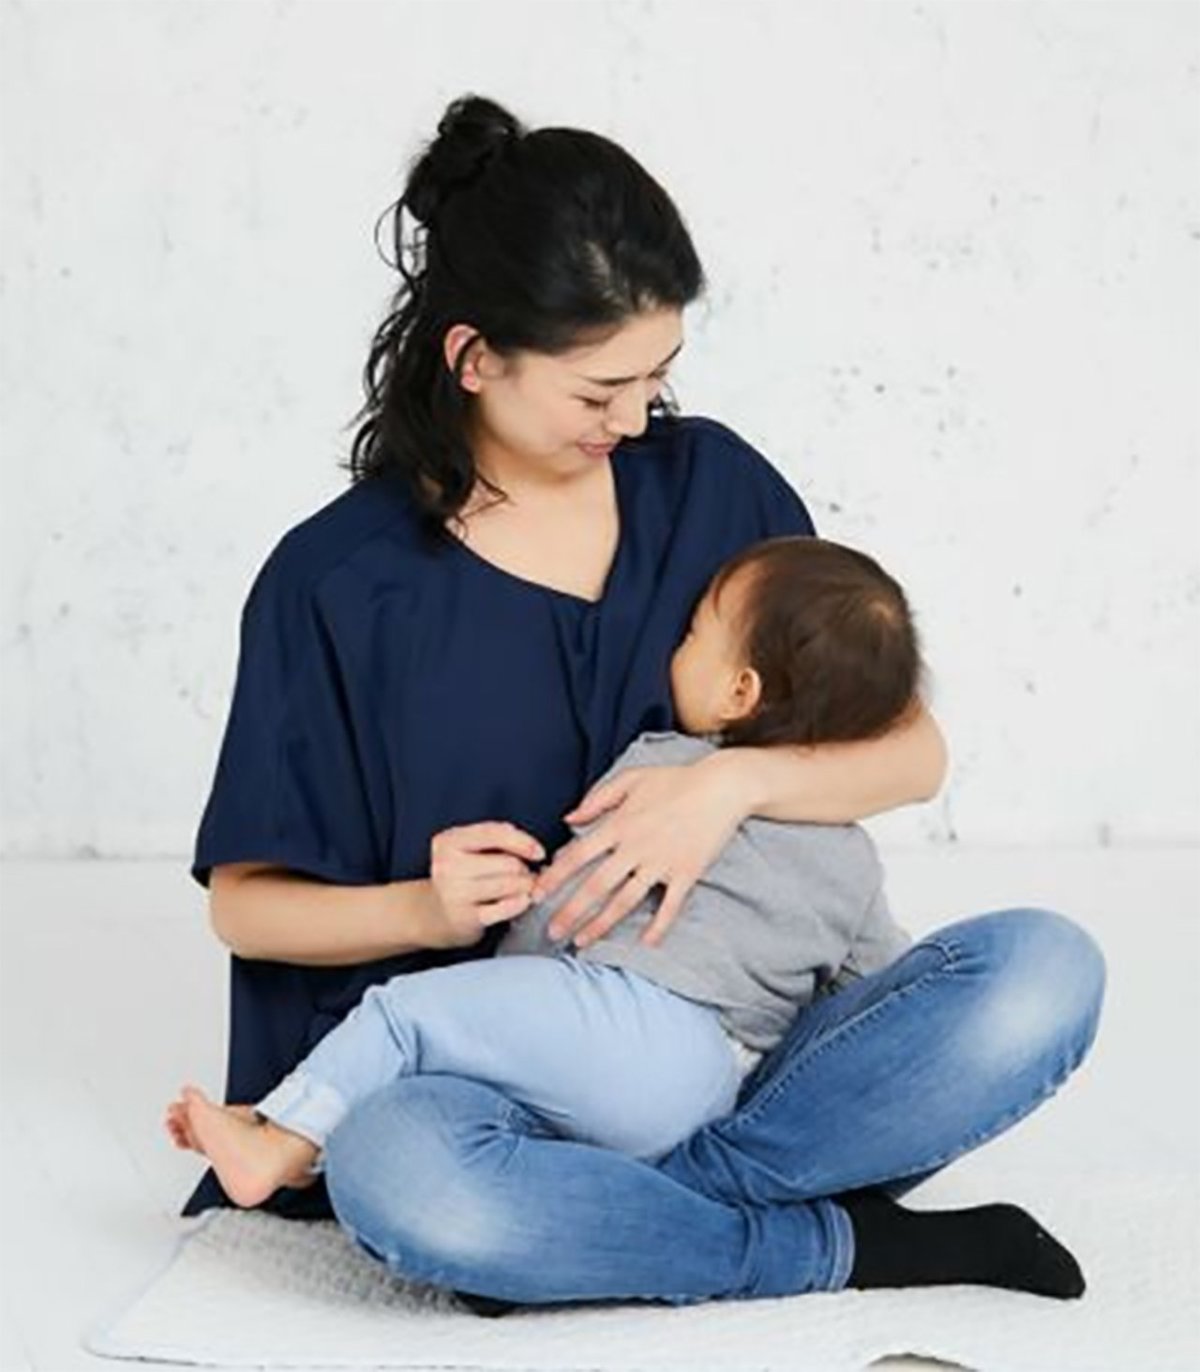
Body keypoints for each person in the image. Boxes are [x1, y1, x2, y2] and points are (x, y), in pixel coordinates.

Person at [181, 92, 1106, 1311]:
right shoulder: (339, 584)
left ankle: (602, 1223)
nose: (633, 419)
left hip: (741, 1045)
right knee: (403, 1175)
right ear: (474, 359)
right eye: (597, 390)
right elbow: (246, 911)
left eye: (657, 377)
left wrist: (727, 784)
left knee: (1044, 971)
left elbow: (910, 751)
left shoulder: (712, 486)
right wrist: (424, 907)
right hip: (497, 1081)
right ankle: (829, 1243)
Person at [165, 536, 928, 1203]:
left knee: (408, 1016)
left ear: (739, 691)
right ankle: (299, 1124)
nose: (676, 647)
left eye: (695, 632)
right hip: (721, 1088)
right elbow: (878, 988)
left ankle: (279, 1146)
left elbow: (567, 900)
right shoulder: (852, 859)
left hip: (631, 1025)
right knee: (475, 1071)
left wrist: (514, 938)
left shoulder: (661, 768)